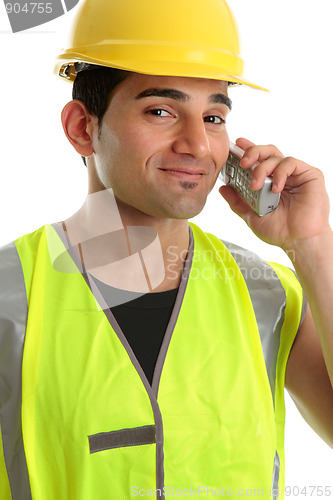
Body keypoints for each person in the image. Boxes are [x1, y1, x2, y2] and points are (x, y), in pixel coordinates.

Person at [0, 0, 332, 498]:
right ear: (81, 127)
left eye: (215, 117)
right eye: (161, 111)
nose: (198, 144)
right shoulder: (10, 293)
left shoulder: (269, 294)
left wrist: (312, 244)